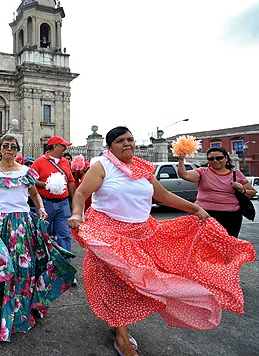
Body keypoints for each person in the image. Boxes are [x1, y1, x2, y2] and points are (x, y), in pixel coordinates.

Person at [68, 126, 256, 356]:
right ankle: (121, 334)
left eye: (130, 139)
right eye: (120, 141)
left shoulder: (144, 168)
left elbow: (163, 196)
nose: (127, 143)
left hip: (141, 234)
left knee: (140, 283)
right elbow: (80, 193)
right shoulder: (102, 166)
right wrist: (78, 213)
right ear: (109, 146)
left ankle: (119, 321)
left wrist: (195, 208)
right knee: (113, 283)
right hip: (108, 233)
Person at [0, 134, 76, 342]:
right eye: (6, 145)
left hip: (21, 224)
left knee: (22, 268)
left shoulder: (26, 172)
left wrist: (41, 208)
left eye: (13, 146)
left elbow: (34, 195)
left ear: (17, 150)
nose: (9, 149)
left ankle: (19, 308)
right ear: (0, 148)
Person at [177, 147, 256, 238]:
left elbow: (252, 192)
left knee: (227, 244)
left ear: (226, 158)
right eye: (211, 159)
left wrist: (242, 190)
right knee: (204, 244)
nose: (215, 161)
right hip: (205, 214)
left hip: (231, 216)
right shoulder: (202, 172)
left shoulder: (236, 174)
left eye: (219, 158)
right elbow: (184, 175)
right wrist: (181, 160)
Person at [31, 136, 76, 254]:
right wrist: (47, 185)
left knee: (65, 235)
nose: (65, 149)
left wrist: (73, 201)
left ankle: (65, 268)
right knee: (42, 234)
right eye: (63, 146)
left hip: (63, 203)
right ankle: (44, 264)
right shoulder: (39, 162)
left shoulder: (65, 161)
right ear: (55, 146)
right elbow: (31, 180)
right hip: (45, 203)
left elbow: (70, 181)